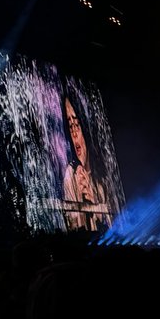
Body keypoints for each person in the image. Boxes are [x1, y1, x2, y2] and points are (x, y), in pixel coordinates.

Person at [60, 93, 109, 232]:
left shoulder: (103, 178)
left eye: (77, 124)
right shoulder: (70, 175)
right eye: (70, 126)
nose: (74, 133)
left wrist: (96, 208)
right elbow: (73, 227)